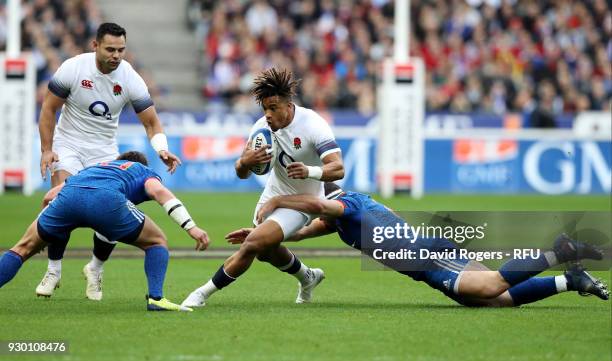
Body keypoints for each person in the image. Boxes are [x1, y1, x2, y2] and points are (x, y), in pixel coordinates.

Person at [225, 183, 609, 307]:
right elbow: (302, 230)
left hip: (427, 259)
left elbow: (314, 206)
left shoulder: (344, 204)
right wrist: (261, 234)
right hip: (428, 254)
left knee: (491, 287)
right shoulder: (346, 216)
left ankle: (561, 250)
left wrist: (278, 200)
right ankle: (571, 281)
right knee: (495, 297)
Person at [37, 22, 182, 301]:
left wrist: (162, 149)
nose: (116, 55)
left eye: (121, 50)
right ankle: (54, 269)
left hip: (104, 151)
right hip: (68, 144)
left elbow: (151, 123)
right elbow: (48, 108)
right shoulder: (73, 68)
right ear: (95, 46)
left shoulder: (130, 78)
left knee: (110, 211)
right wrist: (47, 150)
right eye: (110, 49)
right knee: (62, 201)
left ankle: (95, 268)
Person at [181, 68, 344, 308]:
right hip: (273, 193)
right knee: (265, 251)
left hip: (302, 201)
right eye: (264, 108)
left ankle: (201, 294)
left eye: (273, 108)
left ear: (289, 106)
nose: (267, 115)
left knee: (253, 243)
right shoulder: (261, 128)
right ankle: (307, 276)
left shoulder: (313, 125)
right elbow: (243, 173)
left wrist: (309, 171)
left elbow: (338, 168)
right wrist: (244, 162)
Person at [0, 151, 209, 311]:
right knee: (156, 241)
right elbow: (159, 192)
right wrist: (191, 227)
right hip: (107, 201)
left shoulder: (95, 168)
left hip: (68, 198)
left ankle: (57, 269)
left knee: (22, 248)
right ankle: (156, 299)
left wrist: (44, 230)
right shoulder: (141, 170)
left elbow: (48, 197)